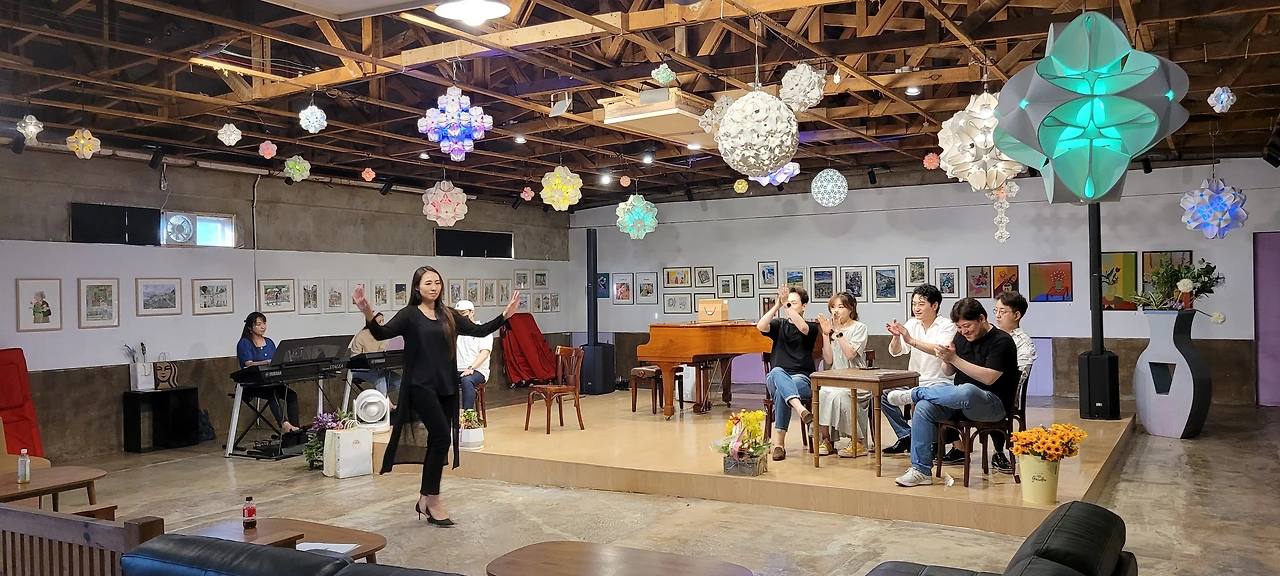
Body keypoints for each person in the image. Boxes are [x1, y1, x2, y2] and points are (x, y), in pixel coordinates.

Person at [352, 267, 519, 527]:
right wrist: (367, 311)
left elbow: (479, 330)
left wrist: (505, 315)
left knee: (437, 441)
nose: (434, 287)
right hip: (420, 386)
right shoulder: (409, 315)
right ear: (417, 287)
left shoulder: (448, 314)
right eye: (428, 283)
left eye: (438, 283)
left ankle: (424, 498)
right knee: (441, 436)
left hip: (445, 385)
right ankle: (434, 499)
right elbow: (382, 333)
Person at [891, 298, 1019, 487]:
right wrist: (947, 358)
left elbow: (989, 378)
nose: (963, 331)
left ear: (982, 318)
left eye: (967, 326)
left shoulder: (1002, 341)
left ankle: (916, 393)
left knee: (967, 390)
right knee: (924, 407)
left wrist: (955, 359)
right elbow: (948, 371)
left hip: (992, 405)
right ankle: (921, 470)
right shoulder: (960, 337)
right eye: (959, 327)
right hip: (958, 402)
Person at [881, 284, 957, 455]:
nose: (916, 308)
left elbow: (940, 350)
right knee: (884, 395)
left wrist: (911, 341)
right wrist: (896, 337)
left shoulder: (947, 325)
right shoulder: (912, 324)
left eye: (921, 304)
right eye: (914, 304)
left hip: (939, 382)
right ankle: (906, 435)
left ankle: (931, 443)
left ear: (935, 305)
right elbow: (896, 352)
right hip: (914, 382)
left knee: (923, 402)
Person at [757, 285, 820, 461]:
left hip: (801, 379)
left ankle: (779, 445)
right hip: (776, 377)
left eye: (794, 303)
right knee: (777, 372)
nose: (789, 306)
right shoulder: (779, 325)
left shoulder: (811, 327)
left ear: (804, 306)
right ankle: (801, 410)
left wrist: (786, 305)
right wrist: (777, 305)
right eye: (788, 302)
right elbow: (761, 326)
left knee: (781, 392)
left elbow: (803, 329)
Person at [815, 292, 868, 457]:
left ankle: (859, 441)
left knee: (839, 394)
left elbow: (850, 354)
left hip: (858, 380)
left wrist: (838, 332)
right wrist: (825, 334)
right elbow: (829, 359)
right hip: (836, 379)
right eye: (833, 307)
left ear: (851, 309)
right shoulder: (831, 330)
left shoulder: (859, 328)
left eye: (840, 307)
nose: (836, 311)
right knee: (822, 392)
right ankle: (827, 440)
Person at [991, 291, 1037, 475]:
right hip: (987, 385)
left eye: (1003, 311)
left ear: (1017, 315)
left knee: (987, 398)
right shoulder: (992, 337)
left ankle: (999, 452)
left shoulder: (1023, 342)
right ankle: (955, 447)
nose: (997, 316)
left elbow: (1019, 376)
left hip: (1007, 393)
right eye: (996, 311)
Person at [235, 312, 301, 434]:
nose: (263, 327)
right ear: (250, 327)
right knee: (272, 393)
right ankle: (284, 424)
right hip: (252, 383)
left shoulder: (269, 342)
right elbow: (248, 364)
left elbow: (277, 360)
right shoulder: (245, 343)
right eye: (258, 324)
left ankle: (295, 428)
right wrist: (266, 362)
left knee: (292, 395)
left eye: (264, 323)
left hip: (271, 381)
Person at [349, 312, 403, 410]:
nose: (382, 324)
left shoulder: (382, 336)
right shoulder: (361, 336)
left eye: (383, 321)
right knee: (380, 378)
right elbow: (354, 357)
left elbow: (383, 352)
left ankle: (377, 396)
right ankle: (387, 406)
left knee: (399, 380)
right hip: (359, 369)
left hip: (378, 368)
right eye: (379, 322)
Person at [452, 300, 493, 410]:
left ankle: (467, 415)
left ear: (472, 312)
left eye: (463, 313)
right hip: (458, 369)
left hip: (477, 371)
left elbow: (484, 353)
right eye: (457, 315)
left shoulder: (482, 330)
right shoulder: (456, 331)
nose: (460, 317)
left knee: (467, 380)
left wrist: (471, 368)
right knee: (440, 379)